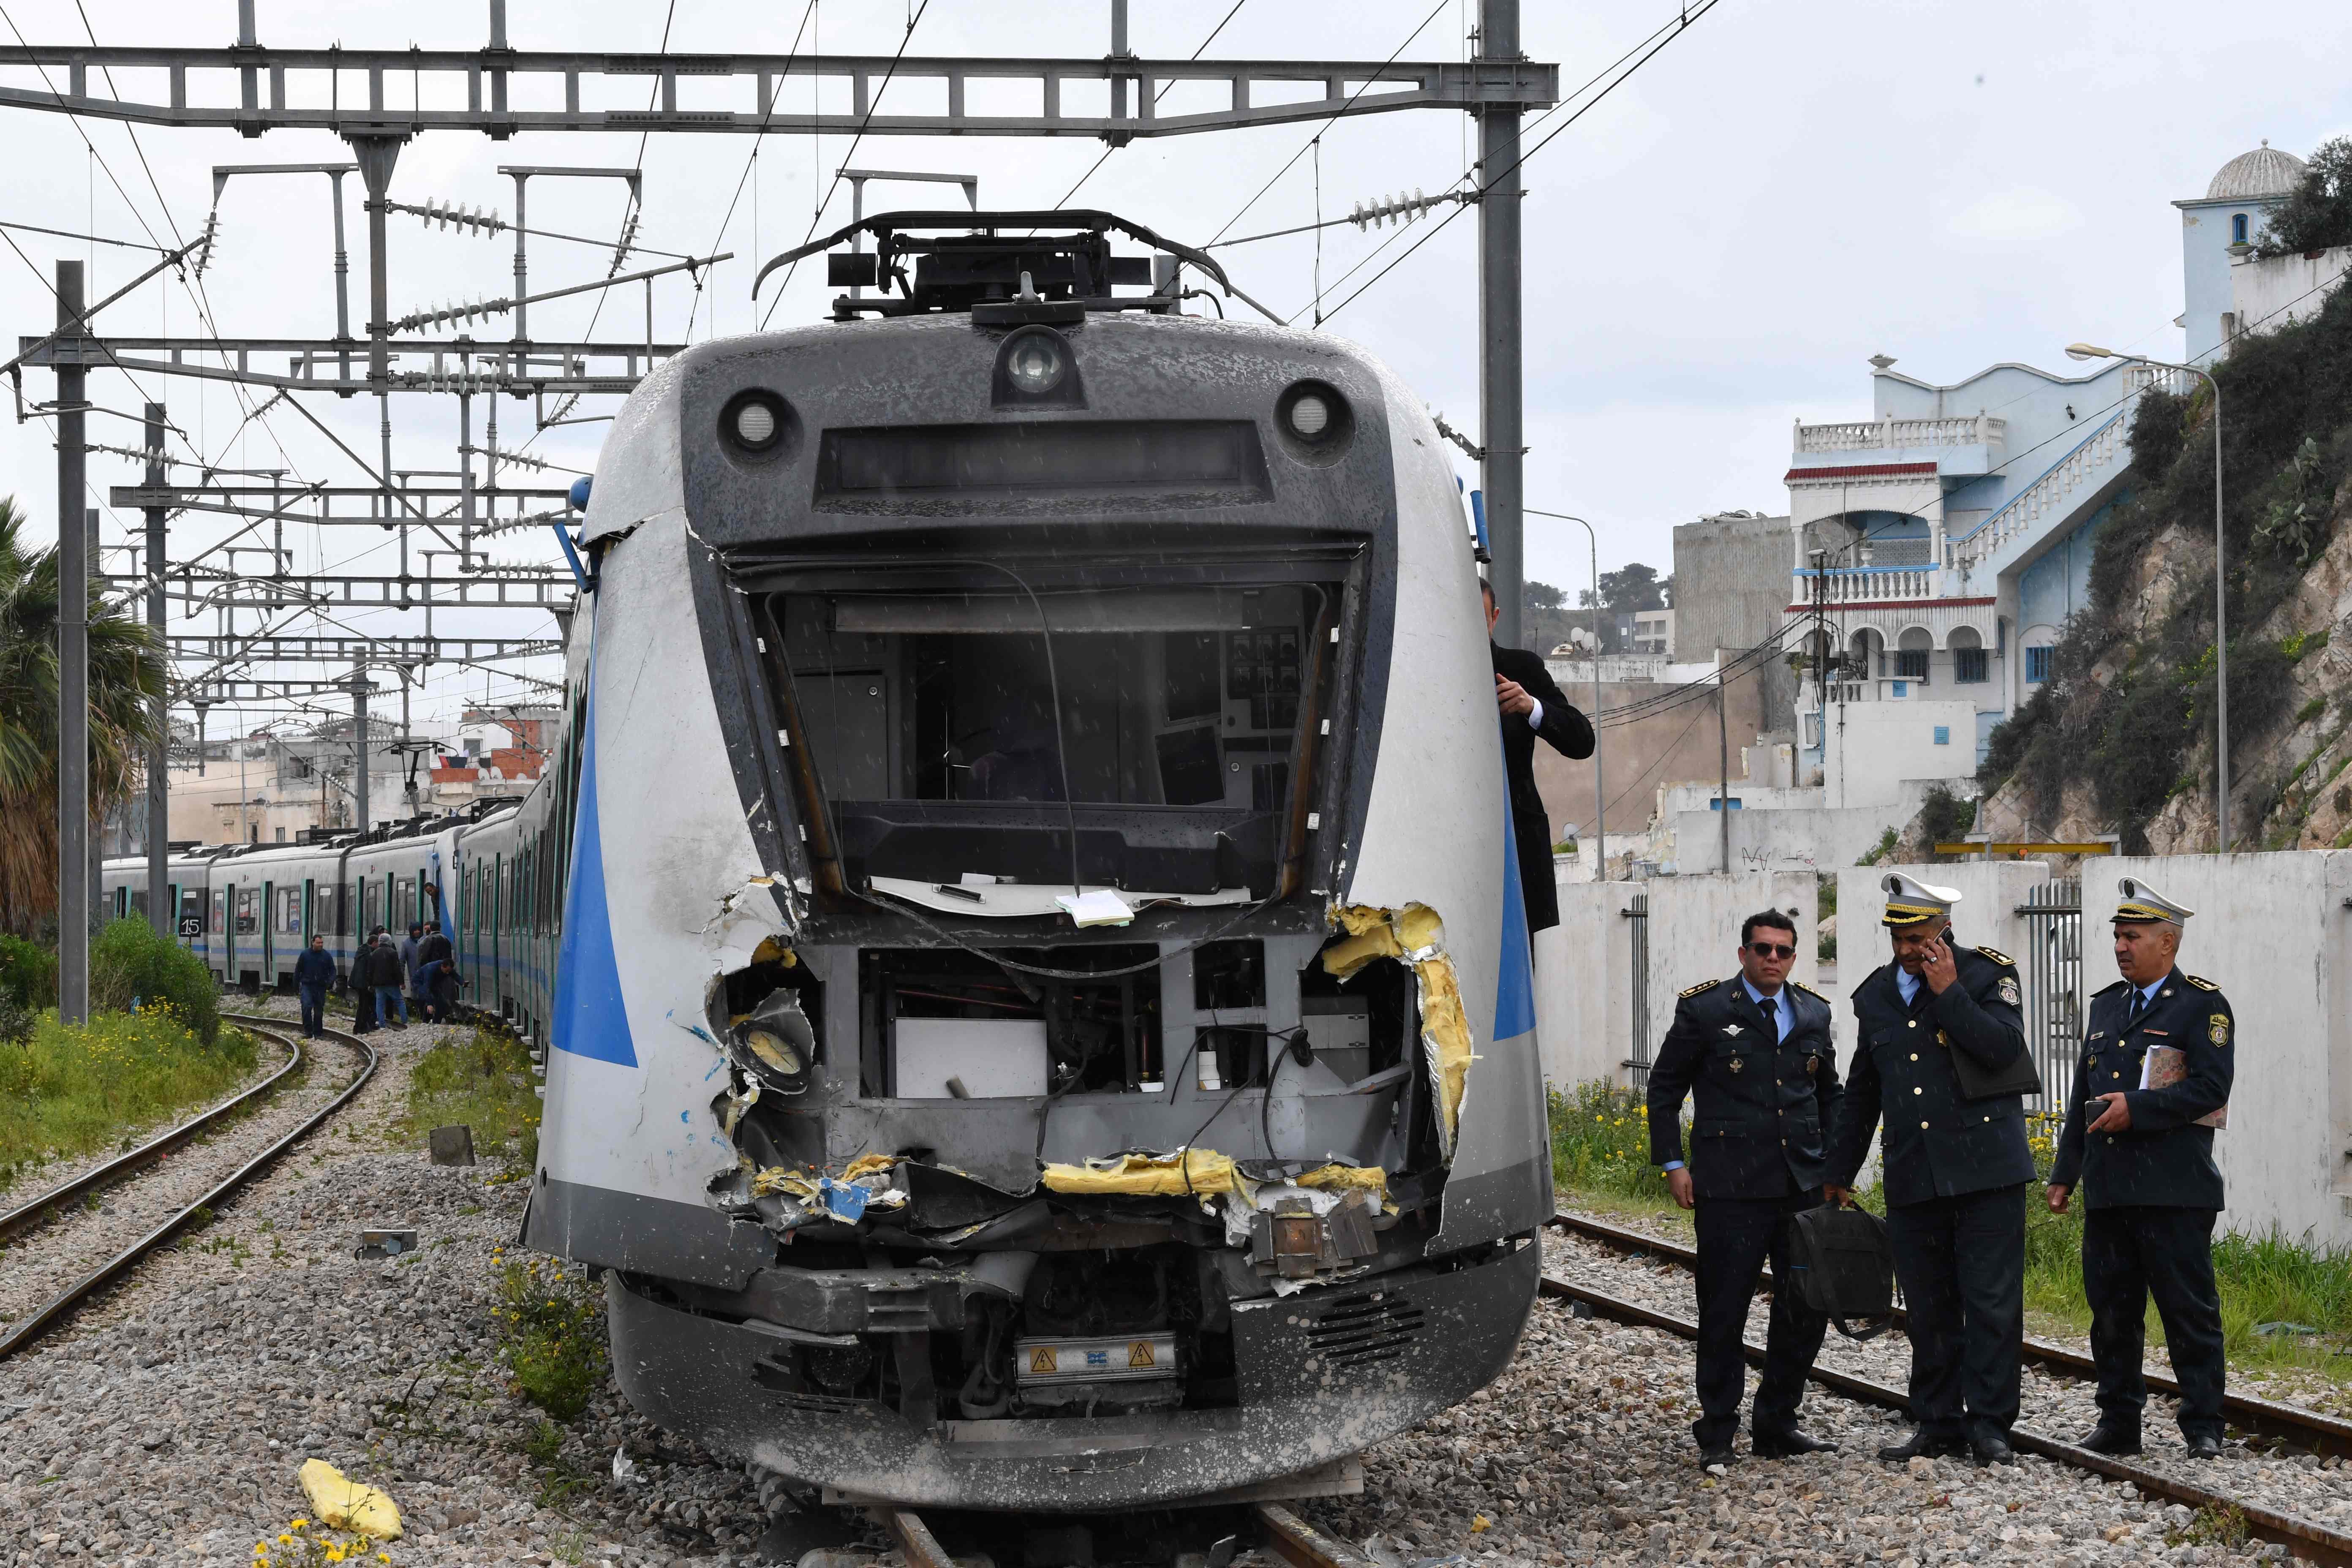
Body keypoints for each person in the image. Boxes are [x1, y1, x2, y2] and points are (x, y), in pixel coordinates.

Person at [1826, 873, 2035, 1467]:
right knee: (1928, 1305)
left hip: (1987, 1170)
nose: (1907, 951)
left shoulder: (1988, 976)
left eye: (1918, 938)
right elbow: (1864, 1090)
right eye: (1899, 938)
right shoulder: (1876, 996)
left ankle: (1991, 1423)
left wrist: (1950, 994)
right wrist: (1840, 1168)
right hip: (1916, 1172)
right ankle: (1938, 1420)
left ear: (1944, 931)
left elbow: (2003, 1050)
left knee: (1991, 1303)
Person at [1646, 908, 1843, 1465]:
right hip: (1729, 1188)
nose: (1773, 959)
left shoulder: (1813, 1012)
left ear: (1795, 957)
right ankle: (1718, 1431)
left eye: (1783, 950)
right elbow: (1664, 1091)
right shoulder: (1706, 1010)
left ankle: (1777, 1422)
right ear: (1744, 955)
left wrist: (1835, 1167)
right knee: (1724, 1312)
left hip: (1800, 1186)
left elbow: (1830, 1094)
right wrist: (1672, 1164)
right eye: (1763, 949)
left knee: (1805, 1309)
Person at [2048, 878, 2233, 1460]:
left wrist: (2141, 1109)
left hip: (2174, 1191)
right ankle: (2119, 1422)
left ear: (2168, 943)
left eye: (2134, 937)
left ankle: (2204, 1425)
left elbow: (2211, 1088)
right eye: (2118, 937)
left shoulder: (2203, 1006)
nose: (2122, 947)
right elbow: (2086, 1093)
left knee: (2189, 1314)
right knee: (2112, 1317)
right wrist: (2064, 1172)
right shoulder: (2106, 1006)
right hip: (2111, 1193)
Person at [1482, 577, 1594, 936]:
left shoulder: (1522, 668)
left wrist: (1532, 707)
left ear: (1495, 617)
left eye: (1479, 618)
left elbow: (1582, 741)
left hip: (1517, 846)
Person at [294, 934, 336, 1040]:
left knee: (319, 1010)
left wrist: (330, 982)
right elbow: (298, 970)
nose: (320, 945)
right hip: (307, 985)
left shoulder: (326, 956)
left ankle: (318, 1033)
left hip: (321, 986)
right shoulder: (305, 955)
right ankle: (308, 1031)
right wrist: (296, 985)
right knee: (307, 1007)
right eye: (318, 943)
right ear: (313, 942)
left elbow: (333, 970)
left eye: (322, 943)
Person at [415, 920, 455, 1023]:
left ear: (431, 929)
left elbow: (423, 958)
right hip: (443, 973)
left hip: (431, 973)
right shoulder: (446, 940)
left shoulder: (427, 940)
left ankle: (427, 1020)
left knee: (430, 996)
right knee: (441, 997)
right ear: (440, 928)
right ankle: (440, 1018)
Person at [368, 929, 409, 1029]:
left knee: (380, 1004)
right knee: (400, 1001)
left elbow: (370, 970)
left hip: (378, 984)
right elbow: (397, 969)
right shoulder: (393, 952)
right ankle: (405, 1022)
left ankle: (382, 1025)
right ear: (389, 941)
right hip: (391, 983)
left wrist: (371, 983)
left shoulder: (374, 953)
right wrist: (402, 983)